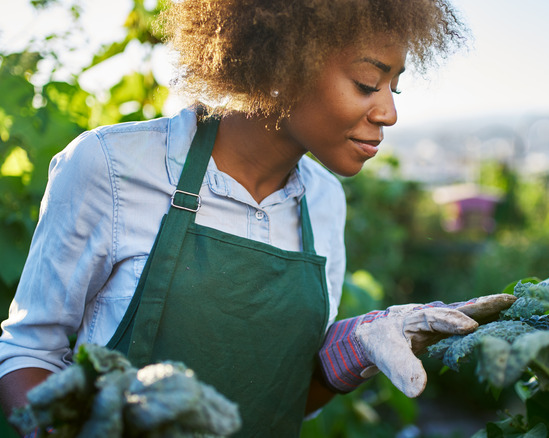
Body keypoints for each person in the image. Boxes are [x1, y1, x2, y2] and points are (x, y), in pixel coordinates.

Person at [0, 0, 516, 436]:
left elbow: (289, 399)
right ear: (279, 63)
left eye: (394, 88)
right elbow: (29, 351)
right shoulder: (112, 167)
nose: (388, 112)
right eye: (366, 83)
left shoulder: (325, 203)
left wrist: (354, 352)